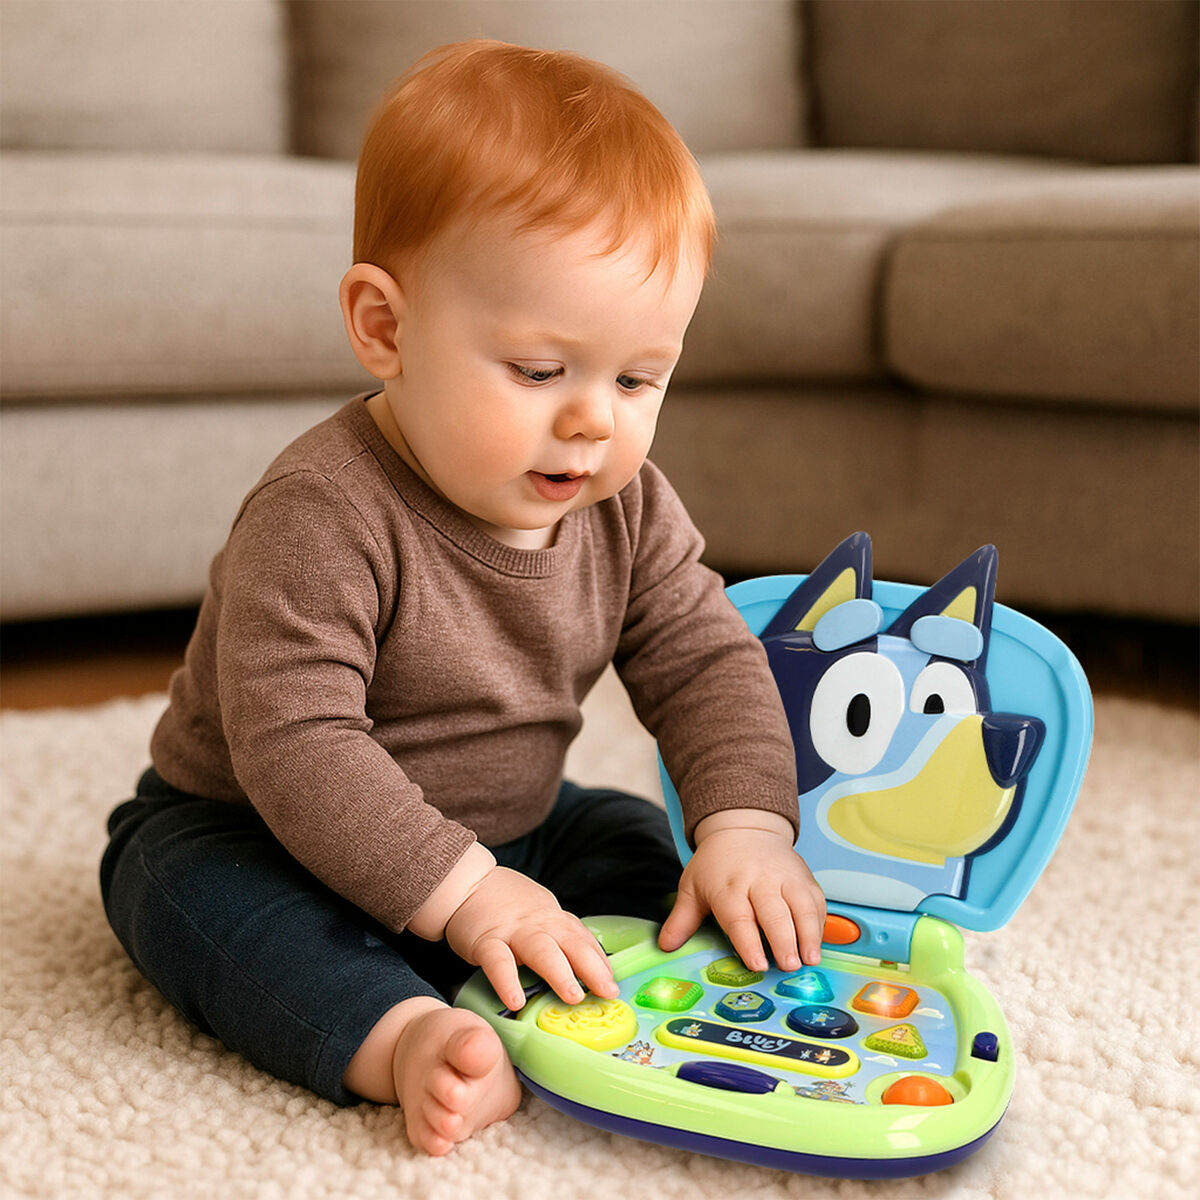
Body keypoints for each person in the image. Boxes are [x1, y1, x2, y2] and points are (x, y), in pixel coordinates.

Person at [100, 40, 826, 1157]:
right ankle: (402, 1037)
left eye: (638, 378)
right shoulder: (321, 512)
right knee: (188, 901)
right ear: (385, 328)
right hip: (257, 830)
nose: (593, 420)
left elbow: (704, 659)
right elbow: (297, 743)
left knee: (638, 847)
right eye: (540, 371)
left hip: (512, 830)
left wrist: (744, 829)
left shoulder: (627, 506)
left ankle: (612, 975)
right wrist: (465, 893)